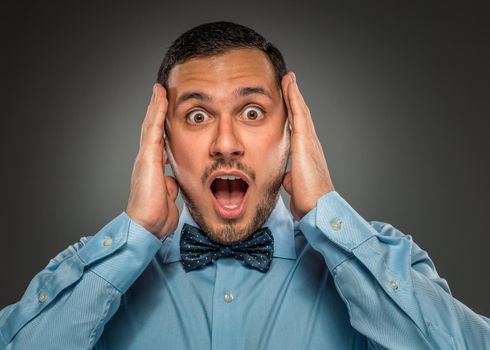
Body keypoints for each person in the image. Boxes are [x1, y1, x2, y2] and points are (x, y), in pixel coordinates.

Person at [0, 21, 488, 350]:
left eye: (252, 112)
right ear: (163, 138)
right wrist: (134, 234)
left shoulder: (383, 260)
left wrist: (328, 216)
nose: (226, 143)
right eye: (196, 115)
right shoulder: (92, 267)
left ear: (291, 131)